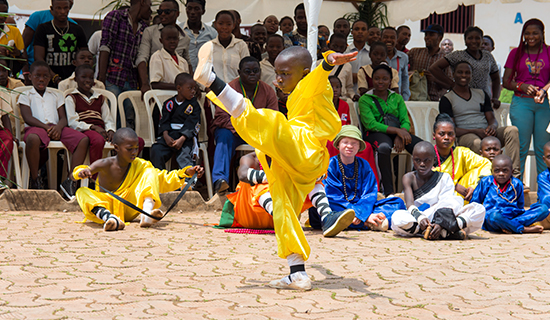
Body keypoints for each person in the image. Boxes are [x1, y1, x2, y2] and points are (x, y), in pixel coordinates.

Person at [194, 42, 358, 290]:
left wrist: (326, 65)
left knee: (269, 120)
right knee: (283, 208)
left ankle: (212, 80)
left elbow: (316, 78)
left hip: (306, 147)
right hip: (300, 160)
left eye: (285, 74)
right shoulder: (299, 92)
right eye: (277, 74)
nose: (278, 80)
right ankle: (297, 272)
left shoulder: (312, 84)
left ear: (304, 72)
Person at [73, 128, 204, 231]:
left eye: (136, 148)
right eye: (129, 149)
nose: (134, 152)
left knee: (150, 170)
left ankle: (147, 212)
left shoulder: (140, 165)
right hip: (107, 206)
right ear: (116, 148)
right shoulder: (105, 163)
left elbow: (162, 179)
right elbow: (82, 170)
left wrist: (186, 172)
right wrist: (82, 172)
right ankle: (109, 218)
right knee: (82, 192)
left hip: (131, 207)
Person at [223, 150, 351, 236]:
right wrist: (280, 177)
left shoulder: (291, 155)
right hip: (251, 213)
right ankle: (283, 220)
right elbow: (242, 174)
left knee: (312, 182)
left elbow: (319, 175)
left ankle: (327, 217)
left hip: (282, 213)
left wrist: (303, 177)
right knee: (259, 184)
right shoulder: (252, 158)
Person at [439, 61, 520, 179]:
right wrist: (476, 131)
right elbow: (451, 130)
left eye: (467, 73)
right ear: (453, 74)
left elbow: (491, 119)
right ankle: (487, 178)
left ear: (471, 75)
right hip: (465, 136)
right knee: (477, 142)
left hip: (486, 132)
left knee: (512, 130)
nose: (464, 75)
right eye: (460, 72)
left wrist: (492, 126)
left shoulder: (481, 94)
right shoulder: (447, 99)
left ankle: (515, 176)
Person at [18, 61, 89, 194]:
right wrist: (46, 127)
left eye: (45, 76)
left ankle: (70, 180)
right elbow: (27, 118)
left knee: (83, 140)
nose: (41, 79)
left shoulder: (56, 95)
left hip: (56, 128)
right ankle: (35, 179)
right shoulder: (25, 95)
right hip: (36, 128)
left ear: (50, 78)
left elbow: (63, 118)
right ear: (30, 77)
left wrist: (58, 128)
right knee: (32, 139)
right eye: (37, 76)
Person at [391, 141, 485, 239]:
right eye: (417, 160)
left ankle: (440, 230)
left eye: (426, 160)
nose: (422, 164)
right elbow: (410, 204)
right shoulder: (409, 177)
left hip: (444, 215)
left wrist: (440, 223)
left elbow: (447, 204)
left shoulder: (444, 177)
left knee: (478, 209)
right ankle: (446, 231)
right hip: (422, 217)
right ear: (412, 160)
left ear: (434, 160)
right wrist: (420, 218)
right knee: (397, 217)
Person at [211, 56, 278, 194]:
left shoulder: (268, 91)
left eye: (255, 71)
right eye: (247, 71)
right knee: (223, 135)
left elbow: (273, 118)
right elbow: (221, 117)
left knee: (275, 138)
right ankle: (220, 181)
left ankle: (269, 184)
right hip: (233, 131)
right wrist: (241, 127)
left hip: (258, 133)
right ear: (239, 72)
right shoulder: (228, 89)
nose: (252, 74)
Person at [324, 125, 405, 231]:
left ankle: (360, 222)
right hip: (340, 208)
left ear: (359, 147)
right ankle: (369, 222)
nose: (350, 146)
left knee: (397, 203)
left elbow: (369, 194)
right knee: (323, 212)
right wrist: (362, 215)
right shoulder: (331, 165)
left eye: (354, 143)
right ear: (338, 144)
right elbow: (333, 197)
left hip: (364, 207)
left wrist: (361, 213)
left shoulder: (364, 165)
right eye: (345, 142)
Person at [359, 64, 422, 196]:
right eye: (377, 78)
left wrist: (401, 134)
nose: (380, 82)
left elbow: (405, 120)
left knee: (421, 147)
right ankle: (387, 191)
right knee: (383, 148)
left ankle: (418, 186)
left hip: (397, 132)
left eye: (384, 79)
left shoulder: (397, 98)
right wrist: (398, 132)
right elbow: (371, 124)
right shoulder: (365, 99)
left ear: (390, 80)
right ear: (372, 79)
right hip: (375, 133)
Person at [503, 19, 550, 177]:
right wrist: (520, 86)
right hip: (522, 102)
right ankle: (516, 188)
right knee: (520, 148)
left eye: (535, 33)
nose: (531, 36)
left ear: (542, 34)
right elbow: (506, 81)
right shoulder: (516, 53)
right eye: (527, 33)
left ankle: (545, 192)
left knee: (544, 148)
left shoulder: (549, 52)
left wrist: (544, 90)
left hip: (545, 103)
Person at [98, 0, 152, 130]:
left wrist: (143, 84)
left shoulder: (144, 28)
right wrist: (101, 79)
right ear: (142, 2)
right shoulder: (115, 17)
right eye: (149, 6)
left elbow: (141, 57)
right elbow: (105, 47)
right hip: (112, 78)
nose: (151, 11)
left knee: (129, 119)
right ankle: (113, 149)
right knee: (112, 118)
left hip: (132, 81)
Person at [471, 154, 550, 234]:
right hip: (493, 218)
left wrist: (514, 217)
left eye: (505, 170)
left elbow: (520, 206)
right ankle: (522, 229)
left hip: (514, 216)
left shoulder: (517, 184)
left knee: (543, 209)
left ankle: (509, 225)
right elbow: (474, 203)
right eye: (497, 171)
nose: (501, 173)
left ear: (512, 171)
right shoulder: (485, 182)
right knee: (494, 217)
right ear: (492, 171)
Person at [429, 26, 501, 109]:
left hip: (483, 100)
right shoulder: (457, 55)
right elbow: (434, 68)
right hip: (463, 99)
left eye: (477, 38)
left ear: (481, 40)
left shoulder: (488, 56)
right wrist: (452, 84)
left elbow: (496, 78)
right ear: (465, 41)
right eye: (470, 38)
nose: (474, 41)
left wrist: (495, 97)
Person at [65, 64, 116, 175]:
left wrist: (111, 130)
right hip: (85, 130)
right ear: (76, 79)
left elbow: (108, 118)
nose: (88, 80)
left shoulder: (100, 97)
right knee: (98, 140)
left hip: (101, 130)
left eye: (90, 78)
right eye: (84, 77)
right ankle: (94, 177)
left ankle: (121, 179)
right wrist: (92, 127)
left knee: (134, 140)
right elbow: (72, 122)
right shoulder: (71, 97)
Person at [432, 114, 492, 201]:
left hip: (462, 196)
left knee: (479, 171)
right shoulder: (427, 155)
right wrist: (454, 185)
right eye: (442, 134)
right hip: (436, 199)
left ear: (455, 136)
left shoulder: (462, 152)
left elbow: (486, 164)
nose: (446, 138)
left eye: (450, 134)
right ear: (434, 135)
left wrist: (475, 186)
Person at [137, 0, 191, 95]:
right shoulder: (150, 32)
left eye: (167, 12)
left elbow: (188, 63)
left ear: (177, 13)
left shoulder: (185, 37)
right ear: (161, 40)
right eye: (159, 12)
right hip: (159, 89)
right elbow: (142, 58)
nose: (162, 14)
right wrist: (144, 84)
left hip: (181, 93)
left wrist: (192, 85)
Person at [150, 73, 200, 170]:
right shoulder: (169, 103)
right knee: (156, 150)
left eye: (194, 88)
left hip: (185, 138)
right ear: (179, 88)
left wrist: (182, 138)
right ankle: (161, 179)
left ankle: (188, 183)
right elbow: (164, 121)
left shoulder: (194, 105)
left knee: (184, 157)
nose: (193, 91)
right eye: (190, 88)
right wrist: (166, 136)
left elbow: (192, 123)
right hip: (169, 136)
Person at [33, 0, 87, 88]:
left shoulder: (77, 29)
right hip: (49, 82)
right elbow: (38, 57)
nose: (62, 11)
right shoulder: (43, 29)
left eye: (65, 8)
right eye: (59, 8)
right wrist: (55, 77)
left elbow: (84, 55)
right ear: (52, 9)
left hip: (72, 82)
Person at [22, 0, 76, 83]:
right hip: (34, 74)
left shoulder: (73, 25)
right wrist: (26, 74)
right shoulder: (38, 17)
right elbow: (22, 47)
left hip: (61, 79)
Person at [407, 24, 450, 101]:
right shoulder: (414, 52)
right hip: (415, 98)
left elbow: (449, 85)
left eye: (431, 35)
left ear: (440, 38)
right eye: (426, 35)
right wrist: (410, 74)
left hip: (434, 100)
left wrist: (434, 80)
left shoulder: (446, 59)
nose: (427, 37)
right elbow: (400, 64)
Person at [208, 10, 249, 83]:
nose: (224, 27)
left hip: (236, 90)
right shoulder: (209, 46)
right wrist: (207, 88)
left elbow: (246, 69)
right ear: (215, 24)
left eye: (228, 24)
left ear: (233, 25)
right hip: (214, 90)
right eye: (220, 23)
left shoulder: (241, 45)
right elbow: (203, 72)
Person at [0, 59, 23, 186]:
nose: (1, 74)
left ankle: (1, 178)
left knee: (7, 141)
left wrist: (10, 135)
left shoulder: (1, 91)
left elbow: (5, 116)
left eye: (4, 70)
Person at [148, 25, 190, 91]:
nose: (172, 41)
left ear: (178, 40)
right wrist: (178, 87)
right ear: (161, 41)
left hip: (181, 99)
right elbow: (155, 84)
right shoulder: (157, 57)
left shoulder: (183, 62)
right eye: (168, 39)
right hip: (164, 98)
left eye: (175, 38)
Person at [316, 33, 354, 100]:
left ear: (345, 48)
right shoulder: (319, 64)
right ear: (329, 45)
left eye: (341, 47)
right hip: (323, 98)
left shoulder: (347, 66)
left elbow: (348, 87)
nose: (338, 49)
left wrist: (353, 95)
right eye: (335, 46)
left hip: (341, 99)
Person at [182, 0, 217, 71]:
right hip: (184, 75)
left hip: (205, 75)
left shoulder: (212, 33)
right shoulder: (179, 31)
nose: (192, 12)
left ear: (203, 11)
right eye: (189, 8)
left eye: (196, 9)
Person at [381, 27, 410, 101]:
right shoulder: (376, 57)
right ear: (380, 39)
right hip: (380, 99)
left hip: (397, 99)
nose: (389, 40)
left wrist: (405, 97)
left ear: (396, 40)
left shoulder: (403, 57)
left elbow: (405, 78)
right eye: (385, 37)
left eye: (392, 37)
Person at [0, 0, 27, 77]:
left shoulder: (15, 32)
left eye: (5, 12)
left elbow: (23, 60)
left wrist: (17, 53)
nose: (2, 16)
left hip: (8, 78)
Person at [347, 20, 371, 96]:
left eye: (363, 29)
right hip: (348, 96)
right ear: (352, 32)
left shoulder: (372, 53)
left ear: (368, 32)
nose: (360, 32)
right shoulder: (346, 53)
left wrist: (355, 76)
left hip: (368, 97)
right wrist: (363, 77)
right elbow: (344, 76)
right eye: (357, 29)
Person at [536, 142, 550, 216]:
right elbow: (548, 196)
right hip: (546, 208)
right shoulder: (543, 176)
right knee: (546, 198)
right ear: (544, 159)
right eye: (549, 157)